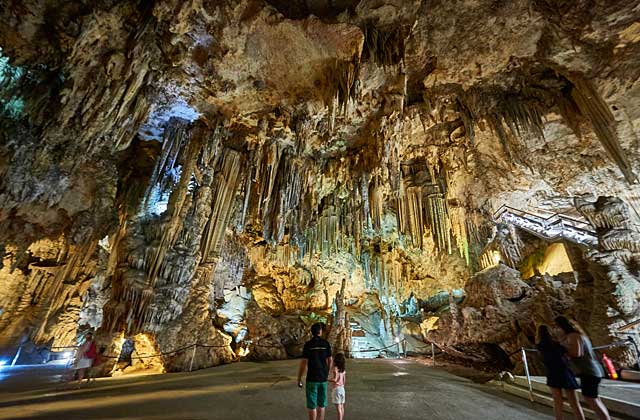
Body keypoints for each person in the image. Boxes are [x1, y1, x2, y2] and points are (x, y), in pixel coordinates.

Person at [555, 316, 611, 420]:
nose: (556, 330)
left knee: (592, 400)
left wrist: (563, 349)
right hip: (589, 371)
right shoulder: (576, 335)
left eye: (557, 327)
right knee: (594, 399)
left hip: (589, 371)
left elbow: (577, 353)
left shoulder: (573, 336)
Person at [536, 325, 585, 420]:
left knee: (558, 403)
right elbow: (567, 355)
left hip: (552, 373)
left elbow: (542, 359)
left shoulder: (539, 347)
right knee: (574, 404)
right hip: (563, 372)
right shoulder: (557, 344)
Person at [297, 323, 333, 420]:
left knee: (312, 405)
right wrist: (327, 372)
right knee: (321, 404)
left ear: (312, 332)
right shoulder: (326, 344)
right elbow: (330, 360)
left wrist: (299, 378)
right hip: (323, 378)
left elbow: (304, 363)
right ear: (320, 332)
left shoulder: (308, 345)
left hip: (312, 378)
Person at [329, 352, 346, 420]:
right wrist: (342, 386)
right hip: (342, 389)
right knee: (342, 406)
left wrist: (327, 379)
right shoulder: (343, 370)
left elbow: (335, 379)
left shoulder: (335, 369)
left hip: (336, 389)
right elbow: (344, 380)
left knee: (338, 408)